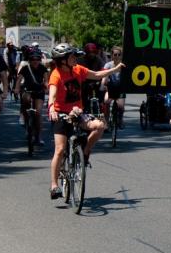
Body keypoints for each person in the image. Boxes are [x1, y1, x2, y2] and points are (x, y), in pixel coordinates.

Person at [48, 43, 125, 199]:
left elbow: (96, 75)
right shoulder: (56, 75)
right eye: (71, 56)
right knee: (60, 149)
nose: (75, 58)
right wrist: (51, 108)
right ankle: (54, 185)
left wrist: (115, 69)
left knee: (100, 126)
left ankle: (85, 151)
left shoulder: (78, 70)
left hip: (78, 113)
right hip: (61, 115)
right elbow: (52, 94)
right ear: (63, 60)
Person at [14, 48, 49, 146]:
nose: (35, 61)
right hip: (27, 90)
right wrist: (16, 89)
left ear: (40, 59)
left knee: (38, 113)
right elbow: (19, 79)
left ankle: (39, 136)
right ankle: (25, 119)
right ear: (29, 59)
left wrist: (47, 88)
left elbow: (46, 80)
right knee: (26, 100)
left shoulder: (43, 68)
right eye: (33, 59)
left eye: (37, 59)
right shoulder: (25, 68)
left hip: (39, 91)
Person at [101, 45, 125, 131]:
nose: (117, 56)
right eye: (115, 54)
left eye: (119, 54)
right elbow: (104, 75)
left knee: (121, 106)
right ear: (112, 55)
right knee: (106, 102)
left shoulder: (124, 65)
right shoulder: (108, 65)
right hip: (110, 87)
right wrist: (103, 84)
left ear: (121, 55)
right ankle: (106, 122)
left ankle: (120, 120)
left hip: (121, 88)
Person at [78, 42, 106, 114]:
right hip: (84, 82)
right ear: (86, 52)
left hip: (96, 82)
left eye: (93, 52)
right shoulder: (80, 60)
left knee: (101, 91)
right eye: (89, 52)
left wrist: (103, 81)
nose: (91, 54)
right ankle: (82, 109)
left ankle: (100, 106)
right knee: (82, 98)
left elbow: (103, 69)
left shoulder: (98, 59)